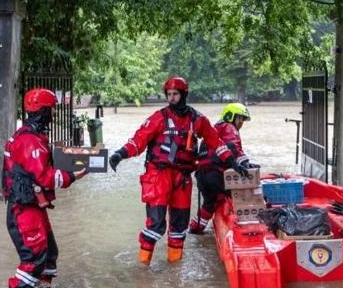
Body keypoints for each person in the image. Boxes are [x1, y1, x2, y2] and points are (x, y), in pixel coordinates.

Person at [108, 76, 247, 265]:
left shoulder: (198, 120)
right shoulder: (159, 118)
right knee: (155, 226)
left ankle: (174, 271)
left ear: (184, 94)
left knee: (179, 228)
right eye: (169, 94)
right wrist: (120, 154)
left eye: (175, 94)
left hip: (182, 178)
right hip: (158, 176)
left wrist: (233, 162)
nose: (172, 98)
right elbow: (139, 140)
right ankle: (143, 269)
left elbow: (217, 143)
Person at [2, 88, 87, 288]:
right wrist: (73, 175)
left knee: (49, 253)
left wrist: (70, 161)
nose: (52, 115)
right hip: (24, 210)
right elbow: (45, 176)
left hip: (31, 205)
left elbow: (39, 168)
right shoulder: (29, 140)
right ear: (43, 111)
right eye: (50, 110)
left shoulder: (32, 137)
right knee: (34, 257)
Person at [189, 103, 260, 234]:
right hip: (215, 175)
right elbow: (235, 148)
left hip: (202, 177)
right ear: (231, 116)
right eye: (240, 118)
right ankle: (246, 228)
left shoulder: (214, 129)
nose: (241, 123)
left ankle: (195, 228)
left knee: (209, 203)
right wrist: (246, 164)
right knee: (241, 196)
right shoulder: (228, 127)